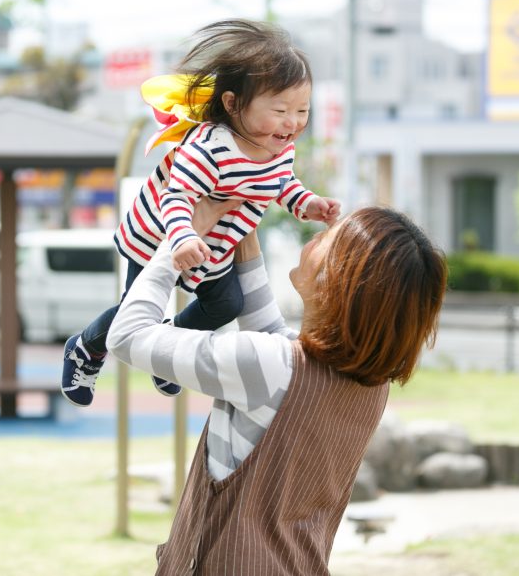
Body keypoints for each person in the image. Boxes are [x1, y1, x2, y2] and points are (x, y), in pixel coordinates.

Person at [106, 200, 447, 575]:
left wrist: (177, 243)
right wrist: (241, 214)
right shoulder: (370, 386)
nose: (314, 240)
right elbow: (269, 335)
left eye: (326, 239)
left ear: (336, 278)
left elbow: (126, 335)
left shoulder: (270, 366)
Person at [61, 19, 340, 406]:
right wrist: (182, 238)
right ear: (232, 104)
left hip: (216, 246)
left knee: (228, 304)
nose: (292, 123)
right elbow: (177, 197)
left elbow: (281, 184)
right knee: (135, 310)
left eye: (302, 110)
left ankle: (167, 352)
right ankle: (85, 348)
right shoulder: (209, 147)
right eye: (280, 110)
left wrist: (307, 203)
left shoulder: (278, 148)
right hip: (160, 237)